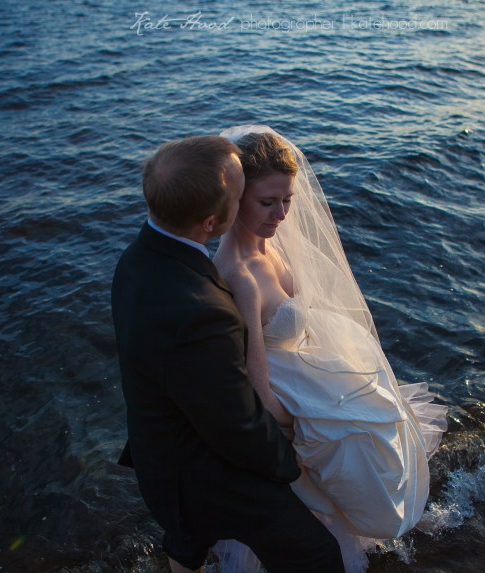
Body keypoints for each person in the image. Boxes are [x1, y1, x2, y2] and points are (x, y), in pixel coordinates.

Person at [212, 126, 448, 572]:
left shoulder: (271, 248)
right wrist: (315, 425)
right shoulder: (238, 276)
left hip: (313, 385)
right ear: (235, 196)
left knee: (384, 434)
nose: (282, 214)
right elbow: (256, 388)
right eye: (268, 202)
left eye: (288, 199)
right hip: (295, 413)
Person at [112, 135, 345, 573]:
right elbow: (237, 423)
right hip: (200, 474)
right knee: (317, 554)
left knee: (188, 542)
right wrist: (294, 468)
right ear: (211, 221)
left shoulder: (137, 258)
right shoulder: (202, 310)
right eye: (240, 198)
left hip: (158, 445)